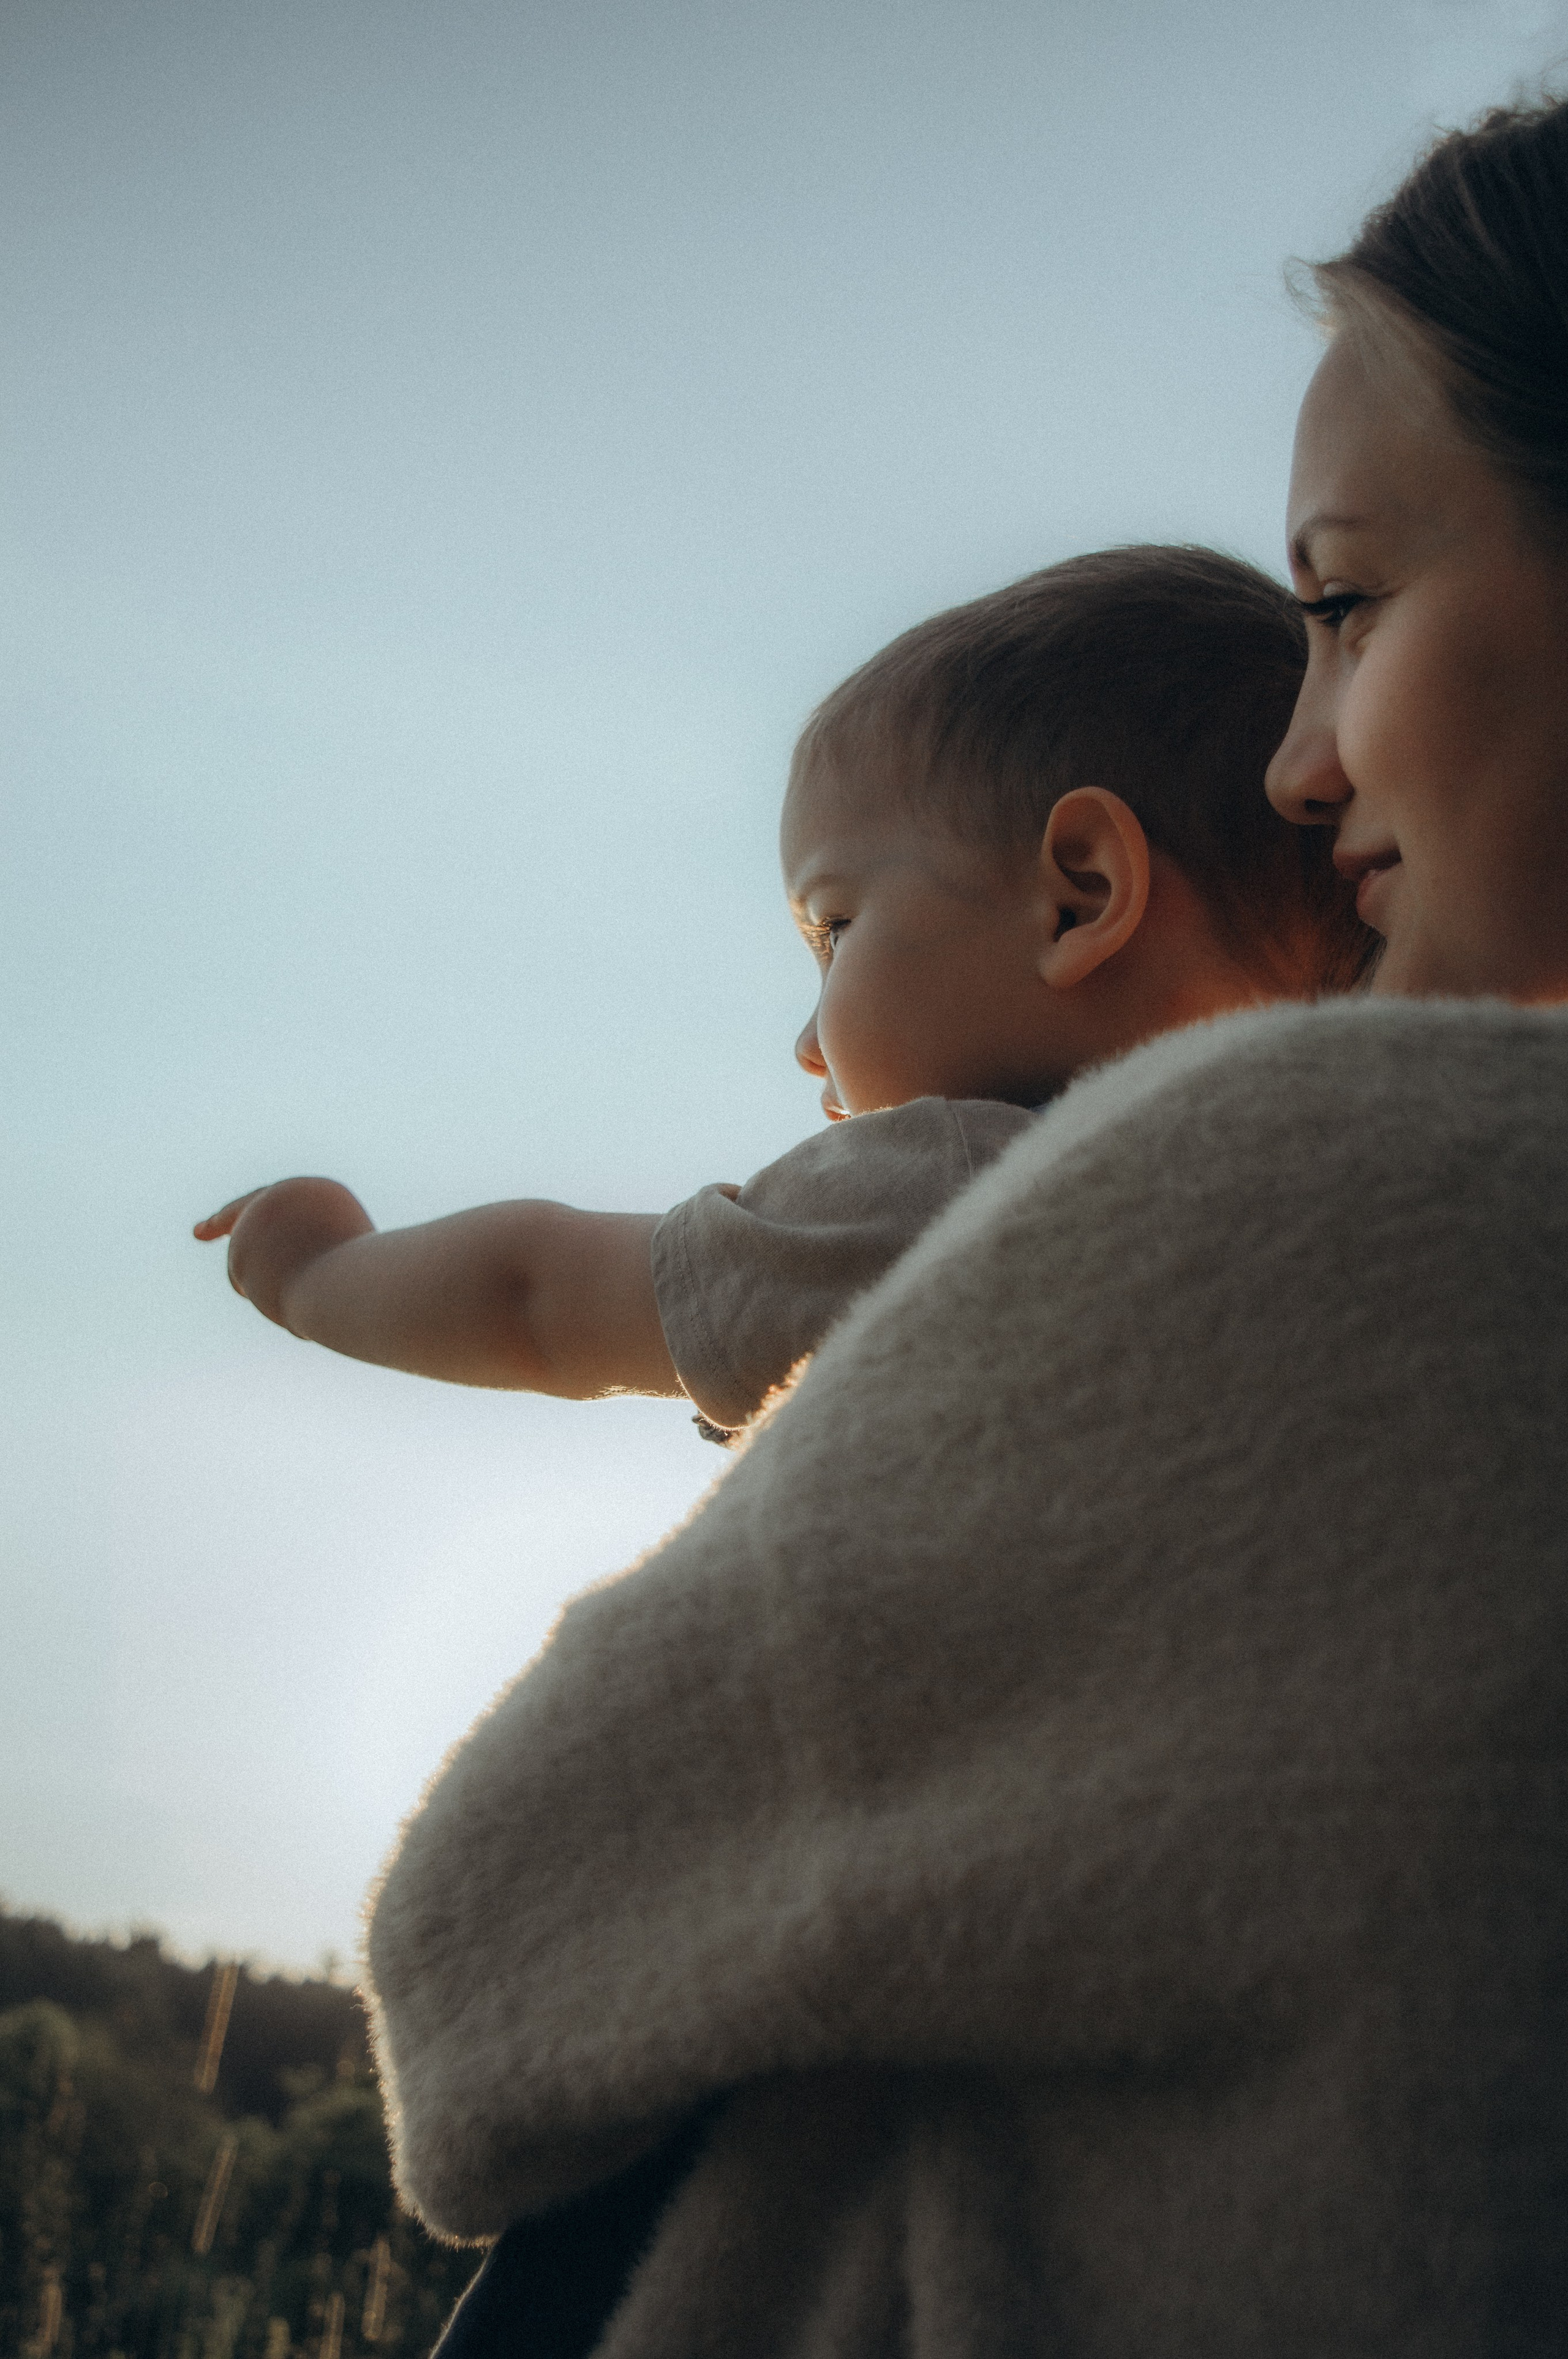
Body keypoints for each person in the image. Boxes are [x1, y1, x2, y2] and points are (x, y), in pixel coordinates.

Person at [364, 95, 1568, 2358]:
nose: (1309, 768)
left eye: (1348, 601)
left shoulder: (1315, 1198)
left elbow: (496, 1972)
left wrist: (320, 1268)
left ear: (1085, 889)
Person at [195, 548, 1363, 1443]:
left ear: (1078, 895)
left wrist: (315, 1275)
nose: (811, 1043)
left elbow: (535, 1297)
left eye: (837, 926)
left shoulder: (964, 1189)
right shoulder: (1343, 1203)